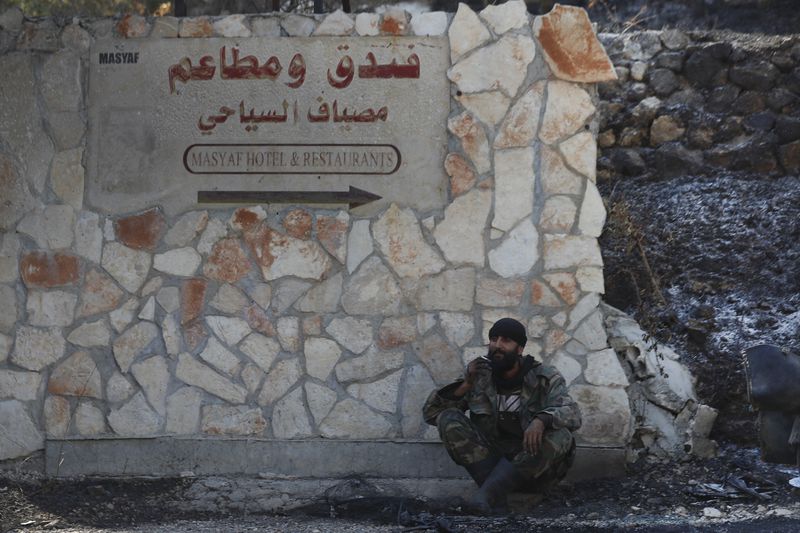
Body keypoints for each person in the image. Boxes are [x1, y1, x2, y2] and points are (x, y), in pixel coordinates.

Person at [422, 317, 581, 514]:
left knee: (561, 434)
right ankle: (493, 495)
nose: (497, 345)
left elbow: (572, 413)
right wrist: (466, 385)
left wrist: (542, 420)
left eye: (506, 341)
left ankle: (488, 495)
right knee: (449, 418)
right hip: (491, 464)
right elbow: (431, 414)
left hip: (533, 468)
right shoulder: (479, 375)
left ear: (520, 349)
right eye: (494, 339)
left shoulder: (544, 376)